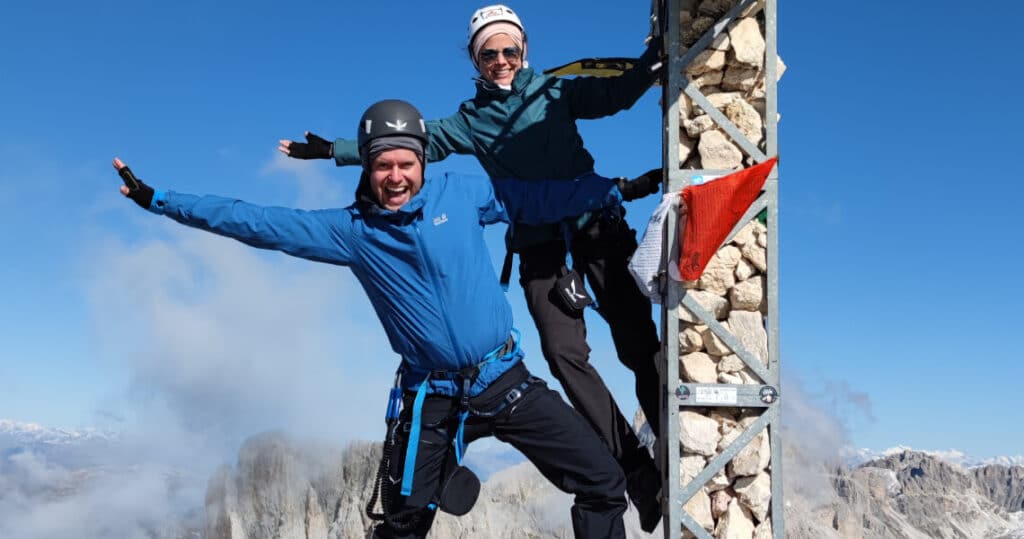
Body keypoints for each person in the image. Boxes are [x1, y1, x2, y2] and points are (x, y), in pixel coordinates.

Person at [116, 99, 649, 538]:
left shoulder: (462, 193)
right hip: (430, 399)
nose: (395, 176)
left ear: (422, 162)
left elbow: (539, 198)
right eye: (382, 165)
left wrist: (619, 189)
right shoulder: (353, 232)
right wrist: (159, 200)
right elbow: (254, 221)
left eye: (405, 163)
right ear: (368, 168)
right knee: (401, 527)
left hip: (505, 379)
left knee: (602, 482)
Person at [278, 4, 665, 530]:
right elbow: (420, 140)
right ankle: (637, 473)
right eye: (489, 53)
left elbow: (612, 97)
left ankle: (671, 438)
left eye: (509, 50)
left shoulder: (556, 92)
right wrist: (336, 151)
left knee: (638, 344)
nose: (501, 60)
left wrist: (650, 65)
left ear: (524, 50)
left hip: (596, 225)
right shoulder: (471, 120)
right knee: (562, 353)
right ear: (476, 60)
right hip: (538, 244)